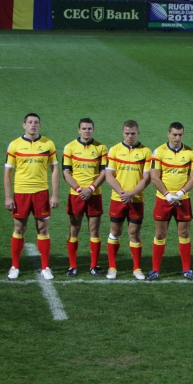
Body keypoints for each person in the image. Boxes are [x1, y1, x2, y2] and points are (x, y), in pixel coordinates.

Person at [5, 113, 59, 280]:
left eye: (36, 123)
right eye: (30, 122)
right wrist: (8, 196)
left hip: (41, 193)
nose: (33, 125)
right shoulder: (14, 145)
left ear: (39, 126)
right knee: (19, 228)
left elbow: (55, 169)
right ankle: (14, 266)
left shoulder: (48, 144)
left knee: (42, 229)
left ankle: (45, 267)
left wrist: (54, 194)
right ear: (24, 125)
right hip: (21, 193)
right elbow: (7, 172)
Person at [147, 122, 193, 281]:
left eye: (180, 135)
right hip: (164, 199)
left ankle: (186, 270)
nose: (177, 138)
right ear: (168, 134)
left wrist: (180, 193)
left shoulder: (191, 153)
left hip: (183, 200)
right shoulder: (159, 152)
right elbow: (154, 177)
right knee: (160, 233)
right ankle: (155, 270)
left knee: (184, 233)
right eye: (174, 134)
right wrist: (168, 195)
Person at [104, 120, 152, 280]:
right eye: (127, 133)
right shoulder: (115, 150)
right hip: (118, 199)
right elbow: (108, 175)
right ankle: (112, 267)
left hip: (136, 199)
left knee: (134, 233)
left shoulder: (146, 152)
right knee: (115, 231)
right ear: (122, 133)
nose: (130, 136)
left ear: (138, 133)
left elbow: (147, 178)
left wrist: (131, 194)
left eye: (133, 133)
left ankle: (137, 268)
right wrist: (121, 192)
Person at [62, 118, 107, 277]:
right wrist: (80, 189)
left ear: (93, 130)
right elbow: (66, 173)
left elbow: (104, 173)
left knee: (94, 230)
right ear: (78, 130)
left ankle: (94, 266)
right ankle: (72, 266)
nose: (87, 131)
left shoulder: (101, 148)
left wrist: (91, 188)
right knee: (74, 229)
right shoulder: (70, 147)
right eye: (84, 128)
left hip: (94, 195)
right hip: (76, 195)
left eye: (89, 128)